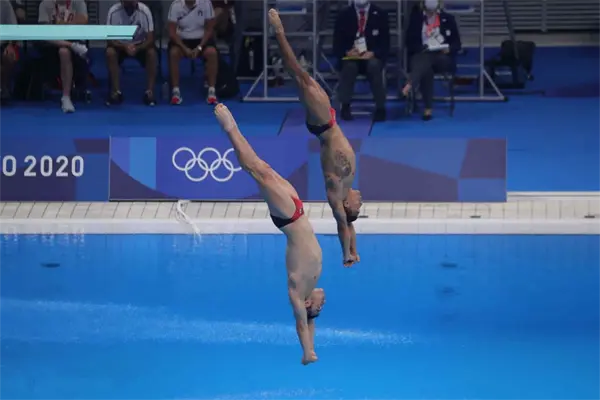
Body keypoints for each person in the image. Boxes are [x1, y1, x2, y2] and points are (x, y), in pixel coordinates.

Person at [213, 103, 326, 365]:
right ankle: (231, 127)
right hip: (297, 210)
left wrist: (307, 352)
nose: (323, 303)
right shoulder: (312, 285)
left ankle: (229, 127)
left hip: (289, 217)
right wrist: (313, 342)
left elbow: (303, 324)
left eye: (319, 307)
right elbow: (312, 321)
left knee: (256, 170)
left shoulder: (297, 293)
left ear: (307, 305)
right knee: (262, 167)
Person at [268, 9, 362, 268]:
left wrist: (346, 255)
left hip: (324, 123)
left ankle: (279, 32)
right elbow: (349, 225)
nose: (361, 201)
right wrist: (354, 250)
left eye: (358, 206)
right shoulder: (345, 188)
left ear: (346, 205)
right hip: (327, 121)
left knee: (298, 73)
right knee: (301, 75)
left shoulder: (336, 193)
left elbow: (343, 224)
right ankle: (280, 35)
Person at [403, 0, 461, 120]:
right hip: (422, 55)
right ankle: (428, 109)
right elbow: (409, 42)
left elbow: (457, 44)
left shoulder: (448, 18)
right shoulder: (416, 19)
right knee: (426, 69)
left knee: (425, 61)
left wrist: (449, 49)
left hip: (442, 58)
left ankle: (410, 83)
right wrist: (423, 48)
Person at [333, 0, 390, 122]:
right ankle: (345, 106)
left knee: (374, 66)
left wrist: (373, 53)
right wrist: (347, 52)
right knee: (349, 67)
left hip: (371, 56)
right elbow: (336, 44)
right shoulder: (343, 15)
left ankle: (380, 107)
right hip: (351, 57)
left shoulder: (381, 14)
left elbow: (385, 44)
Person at [37, 0, 89, 113]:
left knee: (64, 52)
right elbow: (44, 32)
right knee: (64, 50)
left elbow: (84, 20)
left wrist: (63, 24)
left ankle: (66, 97)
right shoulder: (45, 4)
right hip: (52, 44)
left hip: (74, 40)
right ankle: (70, 45)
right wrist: (71, 44)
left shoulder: (78, 3)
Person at [105, 0, 158, 106]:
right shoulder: (113, 11)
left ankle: (149, 92)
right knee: (110, 52)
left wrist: (137, 48)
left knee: (152, 53)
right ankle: (116, 92)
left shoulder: (145, 11)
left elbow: (150, 38)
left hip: (140, 45)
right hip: (120, 46)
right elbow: (109, 39)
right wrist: (124, 46)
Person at [167, 0, 219, 105]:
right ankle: (175, 91)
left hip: (201, 40)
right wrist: (184, 48)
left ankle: (211, 91)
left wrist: (199, 47)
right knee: (173, 53)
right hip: (182, 41)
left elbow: (209, 29)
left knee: (212, 52)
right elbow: (172, 32)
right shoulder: (175, 5)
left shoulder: (206, 3)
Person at [0, 0, 18, 101]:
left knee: (9, 56)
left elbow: (13, 27)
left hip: (2, 44)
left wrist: (10, 45)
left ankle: (3, 87)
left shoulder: (5, 3)